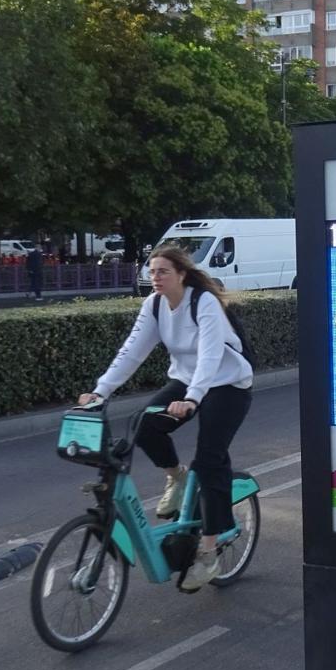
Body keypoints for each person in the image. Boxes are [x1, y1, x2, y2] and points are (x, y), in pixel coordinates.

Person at [77, 246, 253, 591]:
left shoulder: (202, 302)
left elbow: (210, 354)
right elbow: (132, 352)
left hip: (227, 383)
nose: (155, 278)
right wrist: (100, 392)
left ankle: (207, 552)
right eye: (152, 271)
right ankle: (176, 477)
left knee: (209, 458)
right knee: (145, 425)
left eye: (163, 272)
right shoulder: (155, 305)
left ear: (181, 274)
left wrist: (192, 398)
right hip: (188, 381)